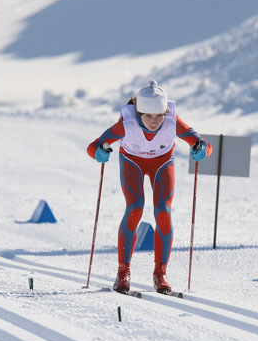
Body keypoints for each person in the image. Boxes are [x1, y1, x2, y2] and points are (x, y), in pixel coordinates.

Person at [86, 80, 212, 294]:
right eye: (148, 116)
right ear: (139, 113)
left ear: (165, 112)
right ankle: (123, 272)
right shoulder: (126, 123)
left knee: (163, 210)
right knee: (135, 207)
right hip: (132, 162)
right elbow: (94, 145)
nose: (154, 122)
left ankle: (160, 273)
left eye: (159, 116)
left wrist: (201, 149)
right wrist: (99, 151)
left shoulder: (173, 120)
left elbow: (202, 143)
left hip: (162, 163)